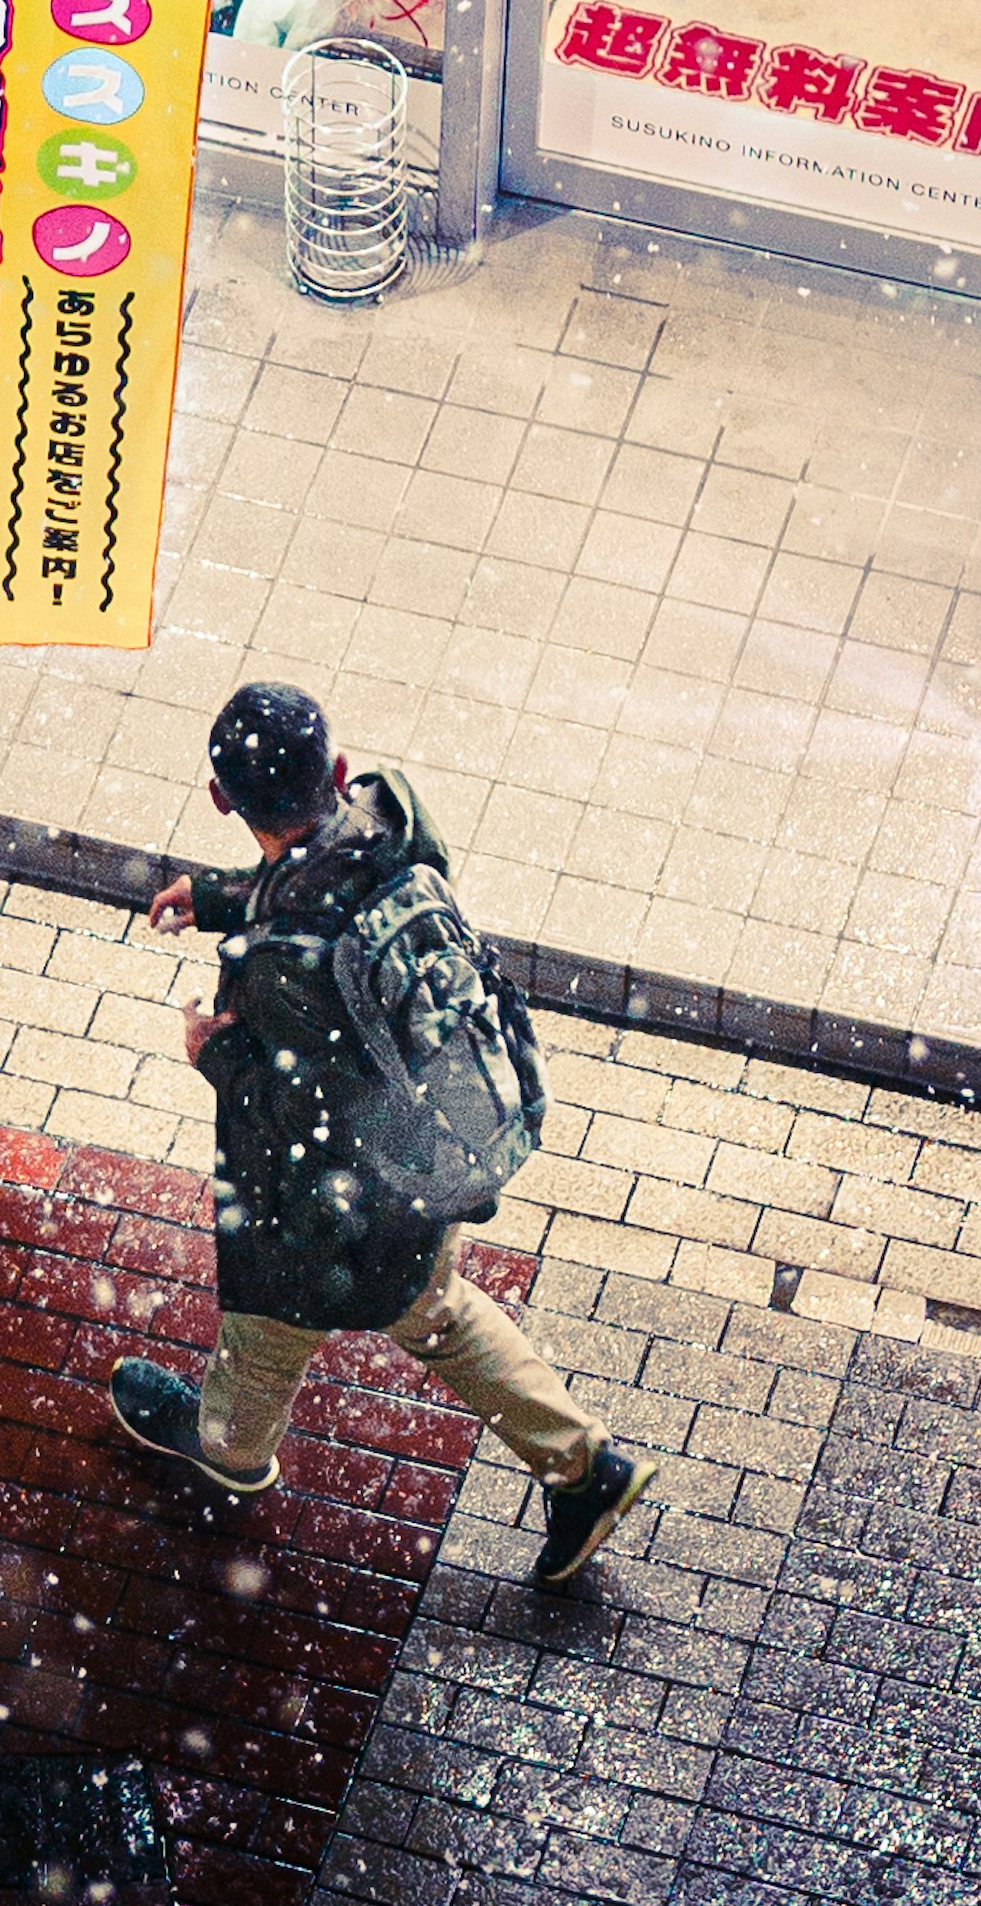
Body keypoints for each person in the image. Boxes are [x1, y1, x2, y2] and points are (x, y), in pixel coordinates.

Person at [108, 679, 654, 1591]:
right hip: (426, 1168)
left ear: (220, 797)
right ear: (340, 769)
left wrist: (215, 1053)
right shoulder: (397, 831)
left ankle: (228, 1451)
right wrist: (218, 897)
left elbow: (294, 1113)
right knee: (432, 1307)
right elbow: (328, 893)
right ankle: (582, 1466)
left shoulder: (286, 966)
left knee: (265, 1328)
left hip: (326, 1211)